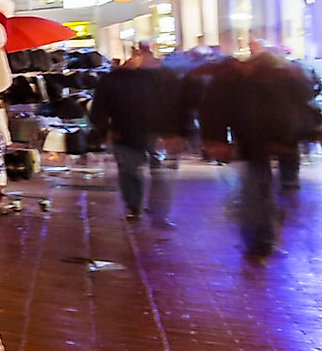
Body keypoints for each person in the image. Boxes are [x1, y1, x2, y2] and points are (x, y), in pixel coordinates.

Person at [201, 50, 321, 256]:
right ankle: (261, 239)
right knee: (259, 191)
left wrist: (216, 139)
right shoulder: (246, 82)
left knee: (258, 190)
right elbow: (300, 110)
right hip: (262, 143)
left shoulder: (260, 81)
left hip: (262, 143)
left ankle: (261, 239)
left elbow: (298, 109)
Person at [90, 45, 182, 220]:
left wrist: (174, 130)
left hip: (154, 132)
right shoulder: (112, 80)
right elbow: (99, 109)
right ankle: (136, 206)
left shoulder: (160, 76)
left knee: (155, 171)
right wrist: (105, 129)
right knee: (130, 170)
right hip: (126, 132)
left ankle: (155, 208)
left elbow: (175, 103)